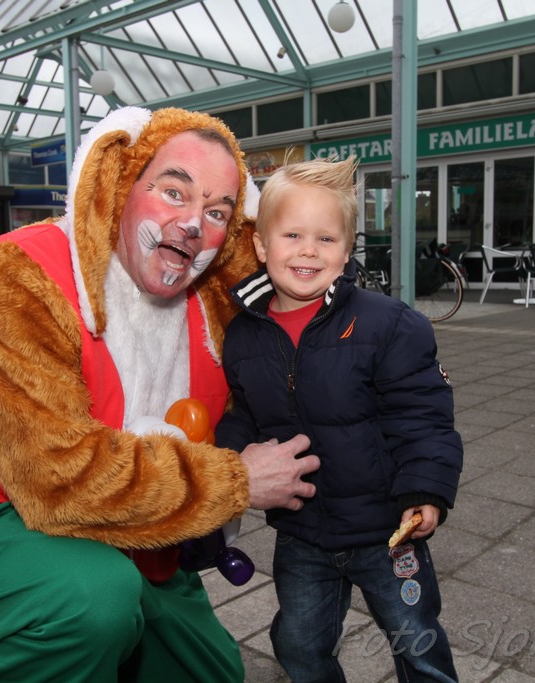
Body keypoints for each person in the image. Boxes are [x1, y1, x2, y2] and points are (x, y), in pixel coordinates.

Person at [0, 107, 320, 682]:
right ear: (120, 185)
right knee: (90, 603)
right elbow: (54, 479)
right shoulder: (6, 281)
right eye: (174, 192)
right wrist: (236, 482)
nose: (191, 224)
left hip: (126, 523)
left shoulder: (209, 307)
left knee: (213, 673)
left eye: (216, 213)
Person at [215, 156, 463, 683]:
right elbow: (244, 414)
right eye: (292, 235)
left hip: (386, 531)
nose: (308, 250)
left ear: (347, 250)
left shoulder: (388, 323)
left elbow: (423, 415)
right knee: (298, 644)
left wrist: (426, 489)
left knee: (417, 641)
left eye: (326, 239)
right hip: (302, 532)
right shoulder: (243, 334)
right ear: (261, 245)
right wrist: (225, 461)